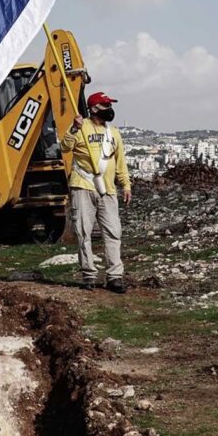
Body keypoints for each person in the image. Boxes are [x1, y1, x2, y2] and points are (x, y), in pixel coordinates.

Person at [60, 91, 132, 293]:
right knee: (83, 231)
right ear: (94, 109)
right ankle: (88, 275)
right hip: (83, 185)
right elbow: (64, 147)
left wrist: (125, 185)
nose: (110, 110)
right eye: (105, 106)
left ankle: (115, 276)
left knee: (113, 232)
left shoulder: (114, 133)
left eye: (110, 105)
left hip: (107, 189)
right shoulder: (81, 127)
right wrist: (74, 128)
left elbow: (120, 162)